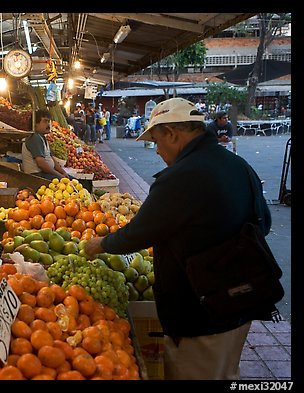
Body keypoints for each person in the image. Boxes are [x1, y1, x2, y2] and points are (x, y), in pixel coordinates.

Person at [83, 97, 270, 380]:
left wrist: (99, 244)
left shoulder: (180, 177)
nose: (156, 150)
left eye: (157, 141)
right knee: (226, 370)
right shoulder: (238, 165)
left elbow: (139, 233)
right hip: (241, 302)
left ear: (173, 134)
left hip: (201, 311)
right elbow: (264, 223)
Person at [21, 108, 69, 180]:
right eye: (45, 121)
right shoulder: (35, 137)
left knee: (73, 181)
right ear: (35, 124)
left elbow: (52, 159)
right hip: (36, 176)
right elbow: (41, 164)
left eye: (48, 121)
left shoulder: (42, 137)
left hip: (45, 174)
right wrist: (59, 175)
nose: (48, 124)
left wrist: (63, 172)